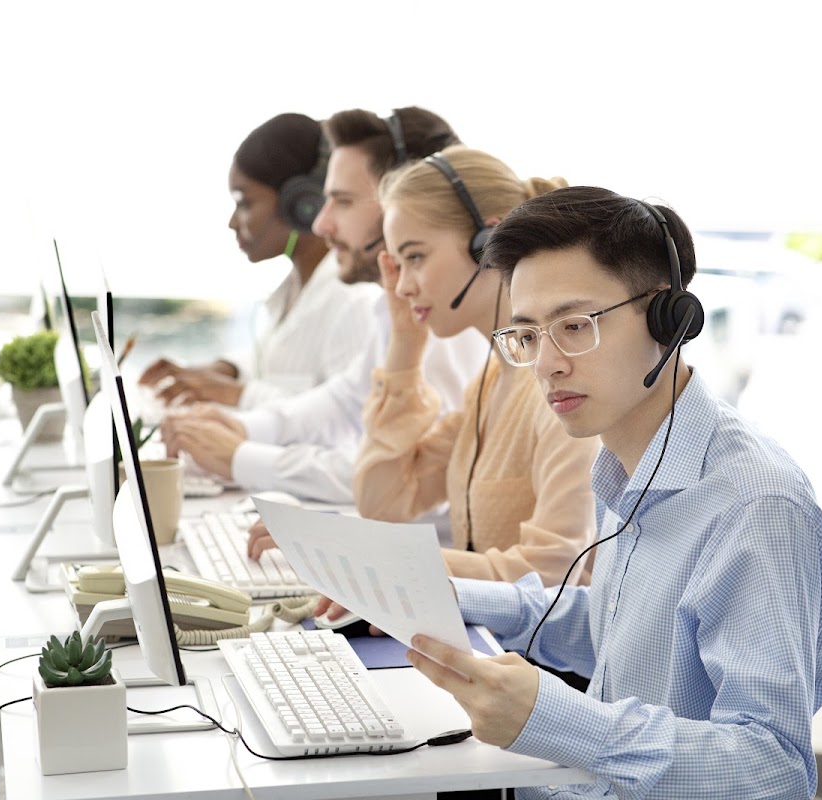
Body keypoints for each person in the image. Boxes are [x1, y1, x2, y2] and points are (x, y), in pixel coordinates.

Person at [404, 187, 822, 799]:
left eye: (574, 326)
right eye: (528, 335)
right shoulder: (627, 465)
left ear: (670, 320)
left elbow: (772, 768)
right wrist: (441, 597)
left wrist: (558, 720)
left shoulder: (756, 509)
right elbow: (622, 630)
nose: (547, 364)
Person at [161, 108, 486, 503]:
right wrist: (244, 428)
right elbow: (347, 398)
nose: (320, 224)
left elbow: (415, 484)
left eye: (343, 202)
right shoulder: (394, 304)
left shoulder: (445, 316)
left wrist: (240, 456)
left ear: (402, 203)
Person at [340, 146, 600, 584]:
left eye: (416, 257)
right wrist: (405, 343)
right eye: (397, 265)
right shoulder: (491, 383)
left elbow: (553, 574)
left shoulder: (560, 389)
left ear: (488, 245)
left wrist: (389, 560)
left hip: (527, 652)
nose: (402, 286)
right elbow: (382, 501)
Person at [138, 113, 378, 409]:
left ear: (301, 204)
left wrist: (236, 394)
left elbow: (346, 419)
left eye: (244, 202)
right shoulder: (294, 286)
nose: (232, 222)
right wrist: (227, 370)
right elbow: (279, 367)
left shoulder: (352, 300)